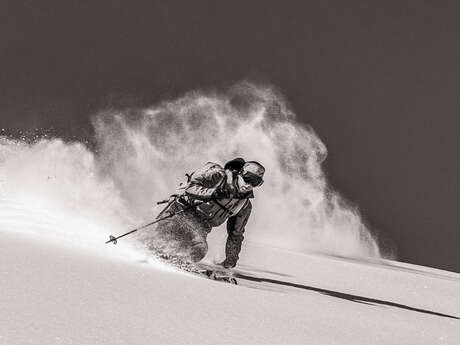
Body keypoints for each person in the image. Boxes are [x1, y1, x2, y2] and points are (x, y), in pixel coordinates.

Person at [148, 158, 265, 268]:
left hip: (199, 229)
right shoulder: (218, 176)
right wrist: (212, 193)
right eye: (248, 178)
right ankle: (149, 246)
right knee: (166, 234)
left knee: (199, 250)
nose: (249, 185)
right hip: (179, 214)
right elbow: (190, 187)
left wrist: (230, 260)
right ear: (240, 172)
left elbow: (236, 234)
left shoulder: (243, 206)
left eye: (255, 182)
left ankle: (174, 259)